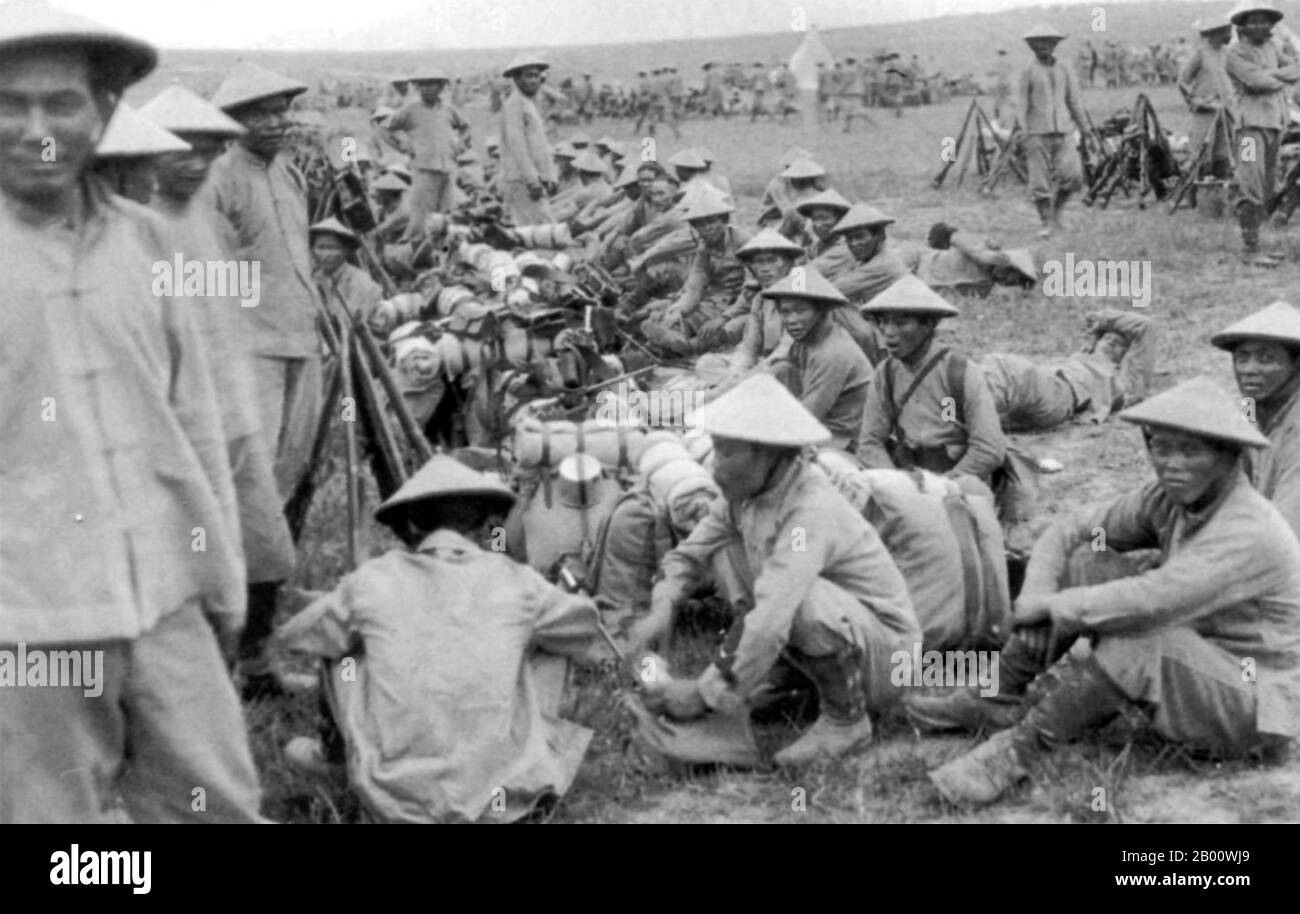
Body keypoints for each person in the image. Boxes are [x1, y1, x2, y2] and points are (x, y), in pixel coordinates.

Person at [0, 3, 261, 823]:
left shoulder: (151, 246)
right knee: (53, 827)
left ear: (105, 112)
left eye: (62, 103)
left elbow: (195, 421)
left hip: (167, 592)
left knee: (215, 802)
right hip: (30, 622)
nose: (37, 128)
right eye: (10, 104)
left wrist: (223, 577)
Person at [922, 378, 1300, 805]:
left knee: (1141, 637)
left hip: (1251, 700)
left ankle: (1019, 750)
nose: (1171, 463)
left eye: (1191, 451)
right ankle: (997, 694)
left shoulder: (1248, 529)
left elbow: (1154, 600)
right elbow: (1072, 529)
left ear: (1229, 458)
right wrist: (1037, 596)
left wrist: (1053, 606)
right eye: (1161, 446)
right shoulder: (1169, 500)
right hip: (1192, 663)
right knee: (1088, 558)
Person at [275, 456, 602, 822]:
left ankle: (334, 755)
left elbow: (299, 634)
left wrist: (341, 597)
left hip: (392, 795)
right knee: (552, 643)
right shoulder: (517, 580)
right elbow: (584, 626)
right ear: (480, 522)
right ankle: (526, 761)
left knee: (340, 653)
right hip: (496, 800)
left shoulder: (372, 580)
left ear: (412, 523)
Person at [626, 374, 921, 768]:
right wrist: (662, 605)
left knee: (796, 599)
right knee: (725, 552)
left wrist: (701, 693)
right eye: (715, 449)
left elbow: (770, 617)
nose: (716, 465)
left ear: (770, 454)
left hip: (892, 660)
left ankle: (847, 718)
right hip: (850, 635)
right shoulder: (746, 500)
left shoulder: (808, 513)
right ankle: (790, 680)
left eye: (728, 453)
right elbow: (689, 554)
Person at [143, 83, 298, 666]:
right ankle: (196, 675)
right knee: (185, 556)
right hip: (171, 424)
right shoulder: (133, 225)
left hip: (230, 412)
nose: (195, 162)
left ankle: (255, 660)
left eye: (208, 149)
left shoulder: (206, 219)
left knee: (265, 546)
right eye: (180, 147)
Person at [210, 62, 323, 696]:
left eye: (283, 110)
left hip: (299, 345)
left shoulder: (289, 172)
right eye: (261, 112)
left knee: (283, 483)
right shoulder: (217, 182)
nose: (277, 122)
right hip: (249, 352)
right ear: (230, 122)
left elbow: (297, 257)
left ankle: (258, 648)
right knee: (245, 498)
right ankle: (232, 655)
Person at [857, 276, 1008, 486]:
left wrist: (942, 485)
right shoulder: (886, 373)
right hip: (908, 473)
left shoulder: (959, 372)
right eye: (883, 322)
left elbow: (989, 449)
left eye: (901, 323)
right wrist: (897, 481)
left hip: (955, 477)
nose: (889, 333)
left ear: (928, 324)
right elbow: (870, 442)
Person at [979, 309, 1155, 431]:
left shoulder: (1120, 378)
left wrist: (1102, 320)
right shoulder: (1079, 357)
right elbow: (1089, 321)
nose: (1110, 343)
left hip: (1060, 395)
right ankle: (956, 419)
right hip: (1033, 400)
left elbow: (1146, 326)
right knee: (968, 381)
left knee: (1000, 363)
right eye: (1108, 338)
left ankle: (958, 416)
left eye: (1120, 345)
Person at [1211, 300, 1300, 536]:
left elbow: (1286, 530)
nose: (1249, 369)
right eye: (1242, 358)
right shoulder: (1253, 409)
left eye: (1266, 359)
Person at [763, 267, 873, 450]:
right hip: (820, 428)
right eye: (785, 311)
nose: (791, 319)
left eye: (800, 310)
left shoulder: (834, 352)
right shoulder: (806, 340)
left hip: (842, 440)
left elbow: (806, 417)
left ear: (822, 311)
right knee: (780, 370)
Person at [1225, 1, 1299, 265]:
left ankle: (1257, 243)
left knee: (1267, 185)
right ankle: (1250, 249)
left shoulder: (1273, 48)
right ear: (1242, 25)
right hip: (1249, 130)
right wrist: (1277, 77)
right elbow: (1257, 82)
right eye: (1253, 21)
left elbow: (1296, 69)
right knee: (1251, 182)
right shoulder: (1235, 53)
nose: (1259, 26)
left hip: (1275, 124)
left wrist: (1272, 75)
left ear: (1271, 24)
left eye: (1263, 21)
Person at [1017, 25, 1094, 237]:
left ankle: (1056, 211)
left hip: (1064, 130)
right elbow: (1021, 103)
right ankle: (1046, 222)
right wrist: (1023, 129)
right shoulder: (1028, 71)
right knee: (1039, 182)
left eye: (1048, 42)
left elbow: (1074, 101)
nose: (1043, 47)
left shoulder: (1065, 69)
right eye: (1038, 43)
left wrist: (1086, 129)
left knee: (1074, 176)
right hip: (1036, 133)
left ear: (1054, 45)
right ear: (1032, 47)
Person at [383, 67, 470, 242]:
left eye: (431, 84)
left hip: (447, 166)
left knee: (446, 210)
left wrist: (460, 145)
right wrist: (404, 148)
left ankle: (444, 246)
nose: (427, 89)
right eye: (422, 85)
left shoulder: (449, 109)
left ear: (440, 87)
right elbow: (386, 128)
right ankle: (416, 248)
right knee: (421, 212)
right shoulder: (411, 110)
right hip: (424, 167)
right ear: (417, 88)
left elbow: (465, 128)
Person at [895, 222, 1040, 297]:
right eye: (1009, 273)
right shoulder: (985, 249)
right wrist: (983, 255)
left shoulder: (986, 284)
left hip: (923, 280)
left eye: (1010, 280)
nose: (1005, 278)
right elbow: (956, 237)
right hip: (921, 259)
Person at [1177, 16, 1236, 188]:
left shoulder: (1227, 53)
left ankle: (1218, 190)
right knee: (1201, 150)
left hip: (1226, 109)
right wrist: (1196, 100)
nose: (1230, 34)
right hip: (1206, 109)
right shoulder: (1200, 53)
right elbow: (1182, 80)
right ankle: (1192, 190)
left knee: (1223, 150)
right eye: (1226, 31)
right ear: (1215, 33)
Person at [499, 53, 556, 225]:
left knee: (539, 227)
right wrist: (532, 181)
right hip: (523, 179)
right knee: (541, 229)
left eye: (536, 76)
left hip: (536, 178)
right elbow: (517, 146)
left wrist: (549, 175)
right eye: (528, 76)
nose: (533, 80)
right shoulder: (514, 104)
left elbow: (539, 146)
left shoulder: (528, 103)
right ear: (517, 79)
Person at [826, 203, 908, 315]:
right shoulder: (866, 260)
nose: (854, 243)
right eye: (849, 238)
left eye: (860, 236)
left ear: (880, 236)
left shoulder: (882, 264)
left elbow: (829, 291)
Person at [311, 217, 383, 327]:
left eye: (333, 248)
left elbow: (354, 323)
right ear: (313, 250)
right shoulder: (313, 279)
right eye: (321, 248)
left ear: (346, 251)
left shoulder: (361, 282)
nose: (326, 254)